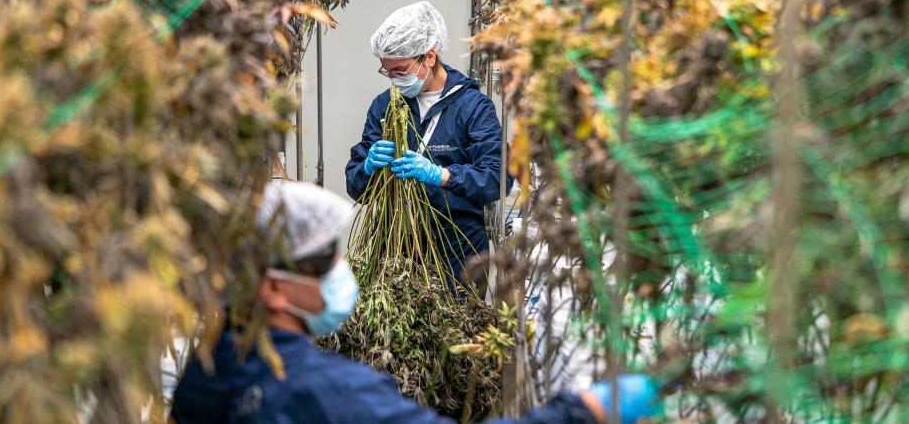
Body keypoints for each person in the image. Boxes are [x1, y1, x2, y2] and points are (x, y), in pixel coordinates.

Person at [170, 180, 660, 423]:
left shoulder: (208, 368)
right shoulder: (328, 391)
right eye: (323, 261)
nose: (342, 268)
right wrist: (585, 410)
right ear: (270, 287)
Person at [346, 1, 510, 282]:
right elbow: (358, 188)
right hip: (398, 250)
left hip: (458, 252)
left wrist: (441, 175)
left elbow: (498, 178)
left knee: (458, 323)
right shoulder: (386, 106)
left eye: (400, 70)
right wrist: (367, 169)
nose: (394, 79)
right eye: (387, 72)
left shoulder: (472, 107)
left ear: (429, 57)